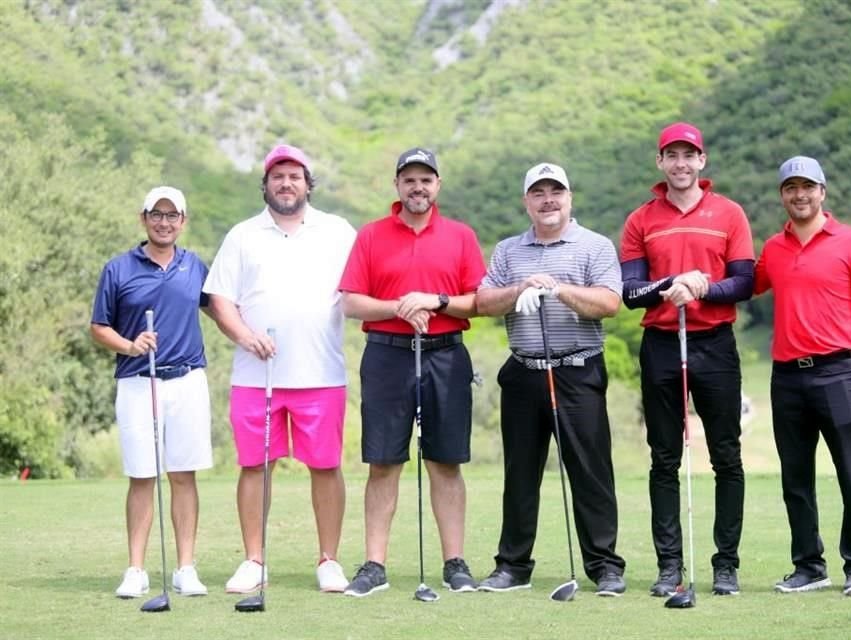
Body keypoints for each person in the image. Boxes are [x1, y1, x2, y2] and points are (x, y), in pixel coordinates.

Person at [203, 144, 357, 593]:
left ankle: (329, 559)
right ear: (266, 185)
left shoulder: (338, 231)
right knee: (255, 465)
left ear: (308, 184)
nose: (285, 183)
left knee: (325, 466)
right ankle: (254, 559)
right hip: (256, 376)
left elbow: (359, 287)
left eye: (294, 176)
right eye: (277, 176)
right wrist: (245, 335)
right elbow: (220, 300)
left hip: (321, 374)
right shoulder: (243, 235)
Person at [338, 147, 487, 597]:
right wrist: (401, 307)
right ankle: (374, 563)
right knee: (383, 461)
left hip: (446, 353)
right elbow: (350, 302)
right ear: (397, 185)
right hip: (387, 354)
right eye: (409, 179)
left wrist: (435, 301)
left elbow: (477, 301)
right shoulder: (371, 235)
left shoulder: (460, 236)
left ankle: (454, 563)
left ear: (437, 185)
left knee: (446, 461)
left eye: (426, 179)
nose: (417, 187)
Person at [475, 162, 627, 597]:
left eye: (555, 191)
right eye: (538, 193)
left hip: (577, 372)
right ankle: (513, 566)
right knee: (520, 474)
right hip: (524, 374)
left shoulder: (594, 246)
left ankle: (604, 566)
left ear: (569, 197)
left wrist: (559, 289)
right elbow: (485, 301)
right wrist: (520, 287)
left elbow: (609, 303)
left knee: (591, 472)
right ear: (527, 202)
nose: (548, 200)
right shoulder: (508, 251)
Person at [619, 122, 754, 597]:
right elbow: (631, 293)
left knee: (726, 455)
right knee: (663, 458)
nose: (680, 163)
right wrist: (667, 285)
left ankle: (726, 565)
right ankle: (668, 566)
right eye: (671, 155)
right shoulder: (641, 220)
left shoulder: (729, 213)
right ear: (660, 162)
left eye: (688, 155)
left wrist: (703, 286)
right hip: (660, 343)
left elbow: (743, 282)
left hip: (715, 343)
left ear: (702, 160)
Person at [755, 156, 851, 597]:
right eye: (791, 187)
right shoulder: (773, 248)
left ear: (822, 192)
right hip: (787, 377)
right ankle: (809, 566)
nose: (800, 194)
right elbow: (742, 283)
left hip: (839, 372)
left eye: (807, 186)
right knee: (796, 477)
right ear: (782, 196)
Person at [91, 186, 213, 599]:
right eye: (156, 215)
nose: (164, 222)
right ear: (144, 218)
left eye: (172, 215)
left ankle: (185, 569)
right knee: (142, 475)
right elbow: (98, 326)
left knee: (183, 474)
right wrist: (129, 345)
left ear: (183, 221)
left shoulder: (195, 266)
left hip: (187, 379)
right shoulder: (119, 268)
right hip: (137, 382)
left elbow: (222, 308)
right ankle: (136, 570)